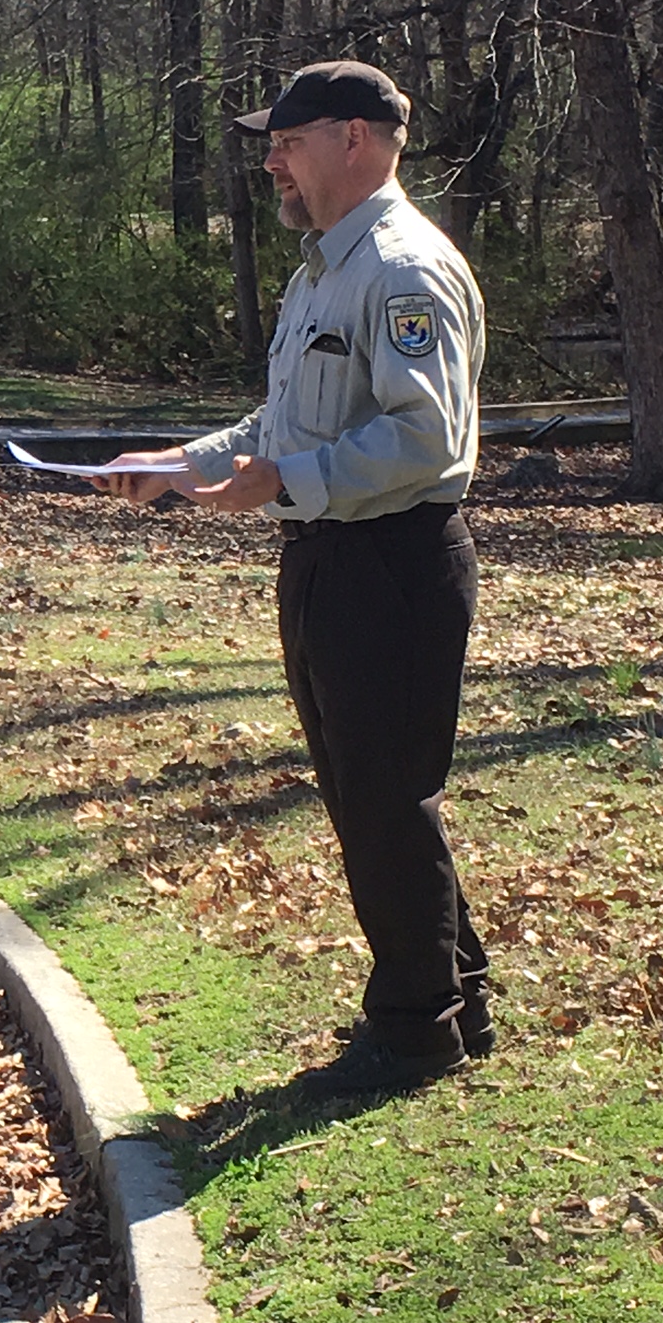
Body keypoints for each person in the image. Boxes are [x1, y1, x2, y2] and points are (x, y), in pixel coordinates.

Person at [95, 61, 490, 1094]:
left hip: (392, 562)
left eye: (288, 138)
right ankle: (457, 988)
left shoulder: (400, 269)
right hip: (327, 555)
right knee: (370, 794)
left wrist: (286, 479)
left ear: (353, 138)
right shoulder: (325, 268)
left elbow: (425, 439)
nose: (270, 157)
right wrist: (183, 467)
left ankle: (415, 1031)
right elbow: (282, 424)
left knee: (385, 798)